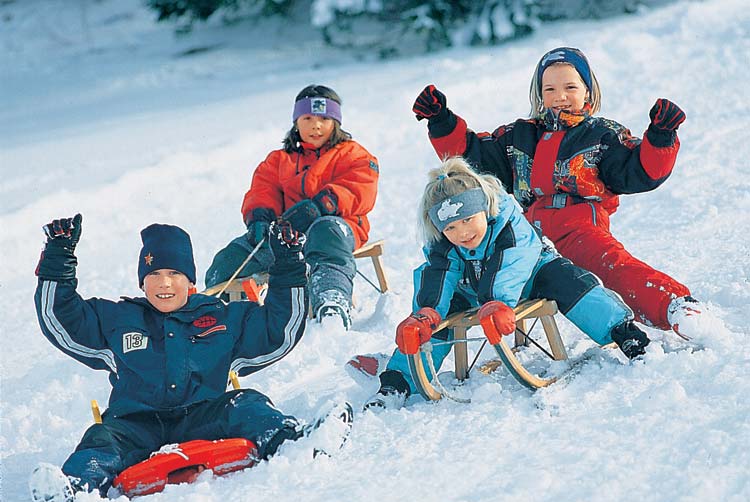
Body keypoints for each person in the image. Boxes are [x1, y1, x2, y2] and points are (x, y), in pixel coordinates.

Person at [29, 214, 353, 502]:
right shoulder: (119, 318)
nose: (164, 283)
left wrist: (287, 263)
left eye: (174, 273)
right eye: (154, 274)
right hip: (136, 424)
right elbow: (62, 317)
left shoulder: (221, 317)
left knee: (247, 403)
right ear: (142, 282)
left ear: (191, 281)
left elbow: (278, 328)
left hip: (204, 416)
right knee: (101, 437)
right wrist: (59, 257)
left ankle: (293, 442)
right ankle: (73, 487)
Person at [412, 47, 722, 343]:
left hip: (579, 226)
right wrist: (441, 122)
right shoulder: (519, 135)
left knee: (609, 265)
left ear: (588, 90)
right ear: (539, 95)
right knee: (462, 272)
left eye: (570, 87)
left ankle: (674, 304)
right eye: (549, 89)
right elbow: (473, 159)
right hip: (527, 232)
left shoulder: (602, 135)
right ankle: (411, 356)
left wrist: (660, 136)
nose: (560, 97)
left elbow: (639, 171)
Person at [363, 157, 649, 411]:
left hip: (531, 276)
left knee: (568, 280)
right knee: (435, 316)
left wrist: (497, 300)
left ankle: (624, 332)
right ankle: (399, 380)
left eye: (467, 220)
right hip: (474, 290)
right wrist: (425, 313)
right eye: (450, 228)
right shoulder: (443, 244)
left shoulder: (508, 224)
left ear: (483, 209)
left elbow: (512, 261)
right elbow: (438, 275)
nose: (462, 233)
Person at [205, 84, 380, 330]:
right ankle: (218, 310)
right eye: (307, 118)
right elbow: (262, 190)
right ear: (296, 122)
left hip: (336, 228)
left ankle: (331, 297)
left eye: (324, 119)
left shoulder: (353, 154)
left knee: (325, 231)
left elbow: (360, 186)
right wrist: (260, 218)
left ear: (336, 123)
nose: (315, 125)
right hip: (287, 233)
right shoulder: (279, 159)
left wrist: (321, 205)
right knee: (233, 257)